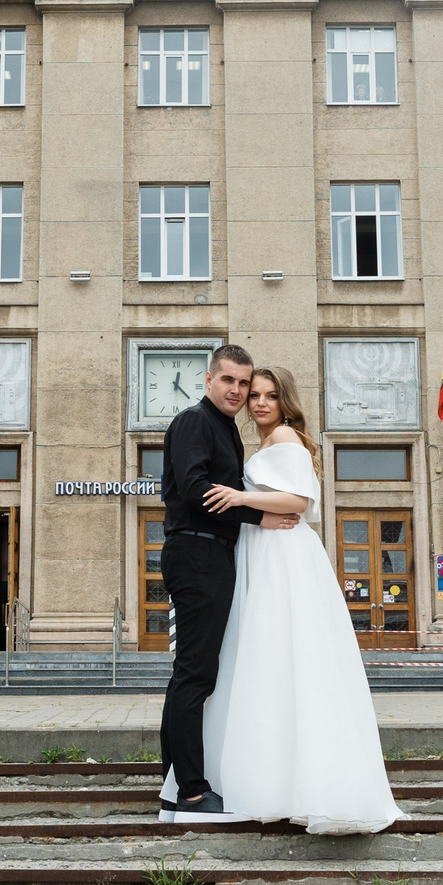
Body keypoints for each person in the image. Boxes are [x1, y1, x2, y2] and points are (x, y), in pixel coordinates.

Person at [191, 365, 401, 836]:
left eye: (270, 395)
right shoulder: (268, 442)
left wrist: (240, 498)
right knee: (270, 660)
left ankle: (288, 783)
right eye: (255, 395)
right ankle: (274, 777)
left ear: (285, 402)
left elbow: (299, 502)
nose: (260, 403)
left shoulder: (285, 437)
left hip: (281, 553)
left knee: (278, 650)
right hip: (264, 547)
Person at [154, 343, 285, 823]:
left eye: (244, 383)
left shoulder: (225, 428)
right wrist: (258, 516)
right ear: (208, 379)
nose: (237, 390)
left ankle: (175, 781)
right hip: (197, 553)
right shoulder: (195, 421)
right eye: (228, 379)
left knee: (193, 672)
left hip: (208, 553)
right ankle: (191, 791)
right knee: (196, 673)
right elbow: (195, 489)